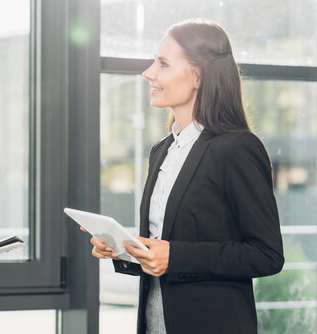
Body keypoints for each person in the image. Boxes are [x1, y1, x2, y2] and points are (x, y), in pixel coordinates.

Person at [90, 20, 284, 334]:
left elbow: (266, 255)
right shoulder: (162, 150)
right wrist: (123, 249)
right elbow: (161, 249)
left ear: (197, 76)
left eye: (163, 63)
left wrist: (176, 257)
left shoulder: (237, 148)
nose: (148, 73)